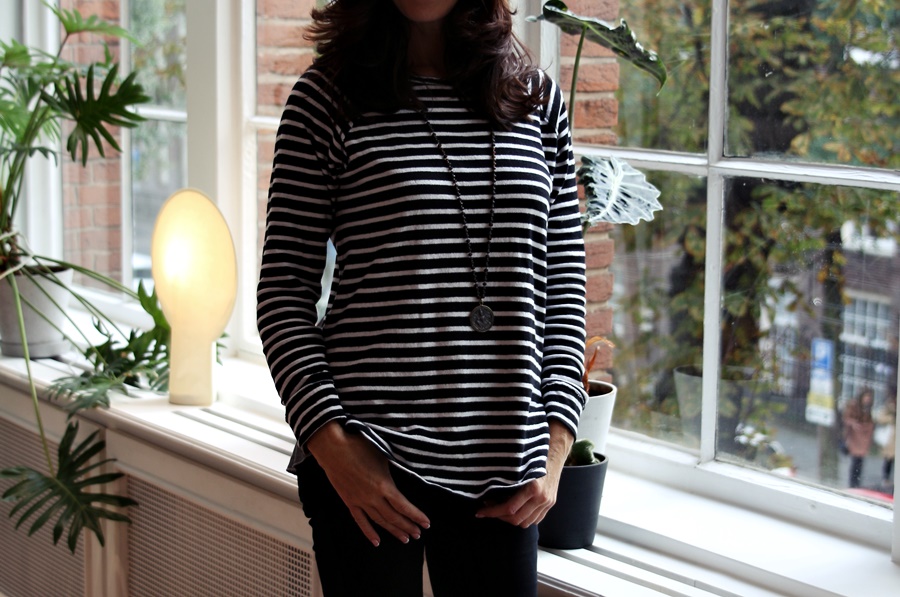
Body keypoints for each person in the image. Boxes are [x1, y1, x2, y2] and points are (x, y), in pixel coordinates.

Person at [256, 1, 588, 595]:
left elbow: (562, 286)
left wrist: (558, 441)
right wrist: (333, 447)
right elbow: (283, 295)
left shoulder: (536, 100)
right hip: (368, 460)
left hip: (505, 470)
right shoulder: (326, 99)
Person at [842, 389, 875, 488]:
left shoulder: (868, 408)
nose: (867, 399)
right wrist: (854, 423)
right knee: (855, 461)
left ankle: (856, 483)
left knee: (860, 462)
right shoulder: (854, 405)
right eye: (866, 397)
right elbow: (847, 418)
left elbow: (870, 421)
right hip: (855, 438)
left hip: (863, 438)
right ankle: (853, 483)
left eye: (869, 397)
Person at [874, 395, 895, 490]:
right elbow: (880, 418)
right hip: (890, 439)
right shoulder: (889, 407)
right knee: (888, 459)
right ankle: (885, 479)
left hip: (894, 439)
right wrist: (891, 418)